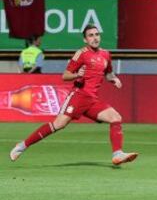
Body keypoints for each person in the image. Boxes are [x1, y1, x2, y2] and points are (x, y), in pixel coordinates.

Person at [10, 24, 138, 166]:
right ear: (85, 40)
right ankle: (22, 146)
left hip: (92, 100)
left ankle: (117, 154)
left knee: (116, 117)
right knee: (58, 124)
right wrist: (77, 74)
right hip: (78, 96)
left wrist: (114, 79)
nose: (95, 38)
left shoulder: (105, 54)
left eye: (97, 34)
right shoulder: (81, 54)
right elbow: (65, 75)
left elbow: (108, 73)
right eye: (91, 35)